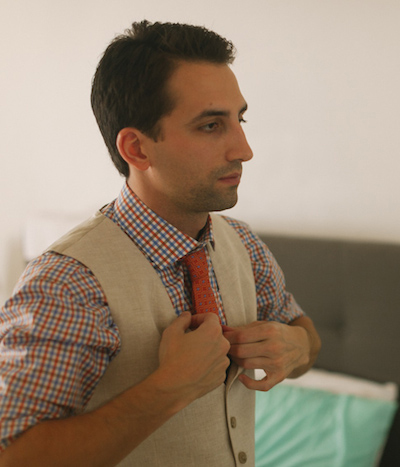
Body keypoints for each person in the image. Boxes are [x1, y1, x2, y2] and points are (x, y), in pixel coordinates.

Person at [0, 20, 321, 466]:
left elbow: (302, 331)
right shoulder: (67, 281)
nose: (244, 149)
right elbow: (14, 456)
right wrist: (169, 388)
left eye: (239, 119)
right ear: (136, 149)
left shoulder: (243, 246)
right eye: (211, 126)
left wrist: (298, 348)